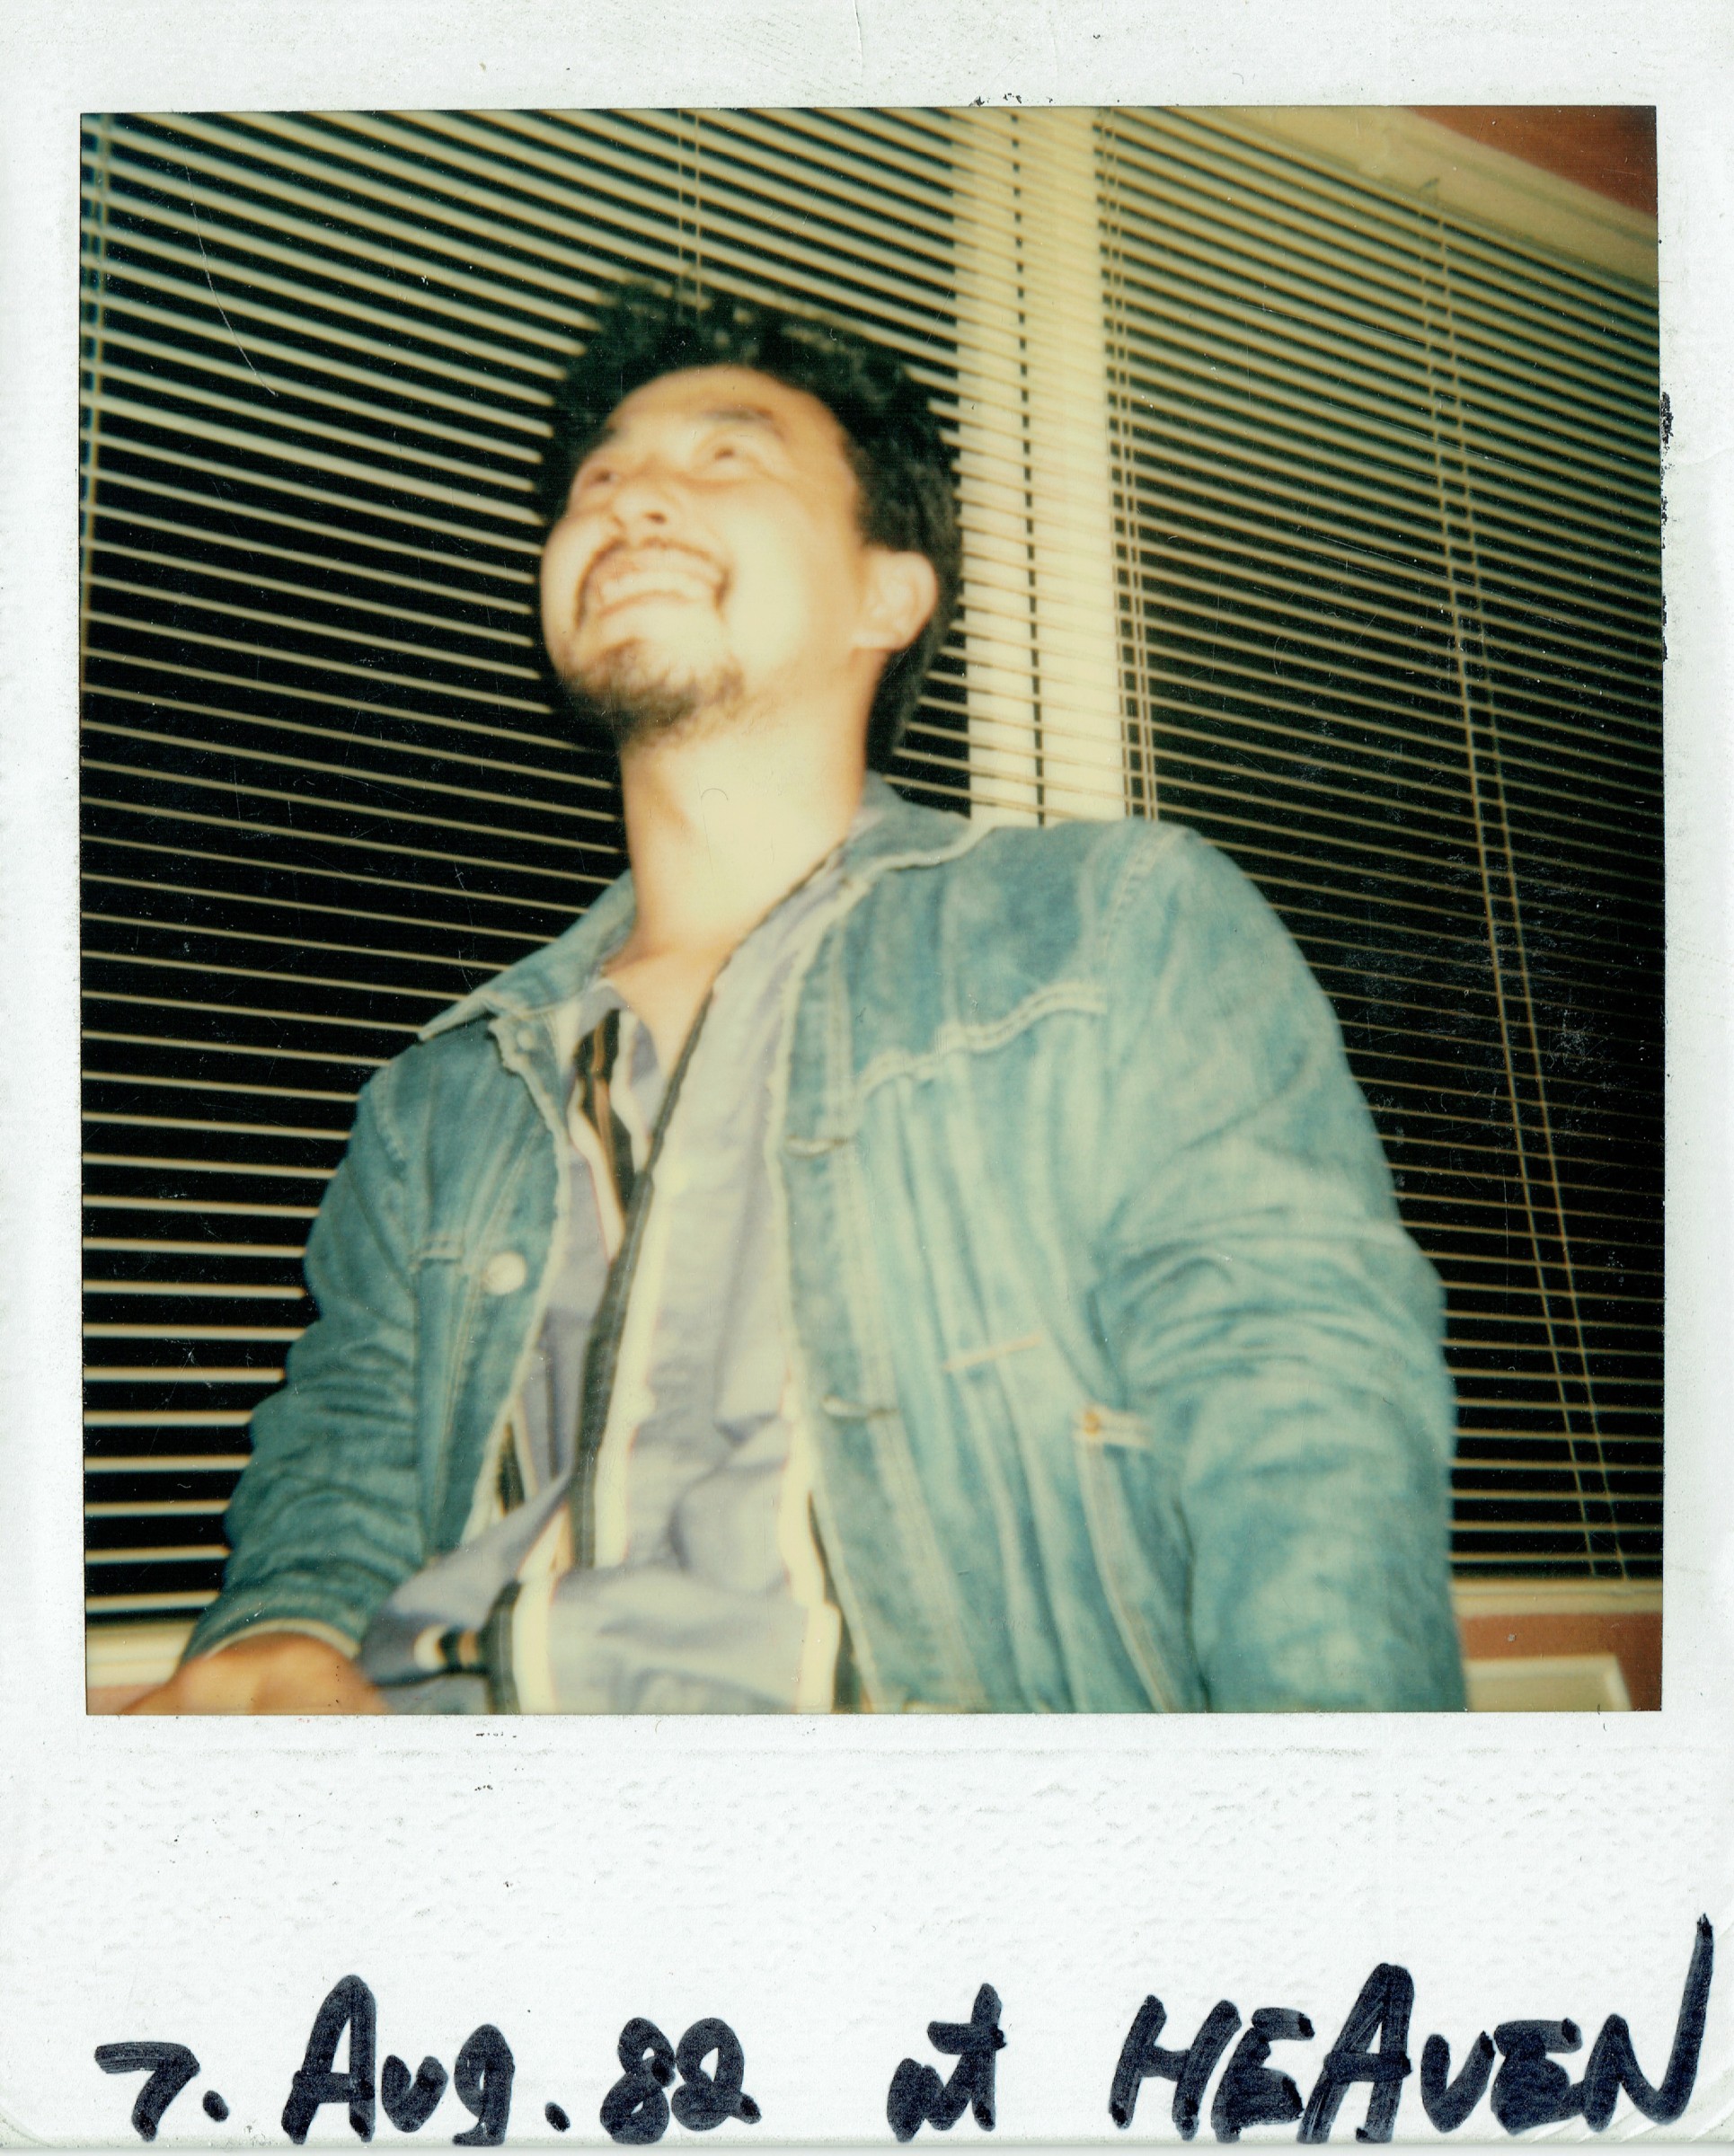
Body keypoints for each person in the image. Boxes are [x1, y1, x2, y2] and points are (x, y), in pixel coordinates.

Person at [131, 284, 1464, 1716]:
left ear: (888, 595)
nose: (630, 500)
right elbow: (345, 1453)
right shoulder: (440, 1098)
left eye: (726, 457)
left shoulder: (1108, 929)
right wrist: (280, 1626)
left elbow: (1301, 1420)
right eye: (595, 483)